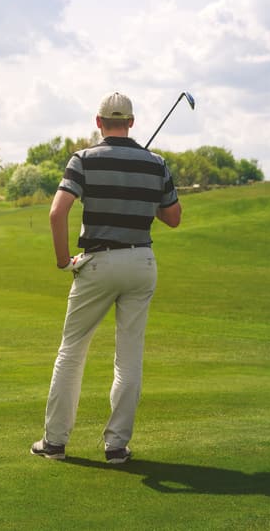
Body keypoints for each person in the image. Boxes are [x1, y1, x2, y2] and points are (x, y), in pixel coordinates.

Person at [31, 92, 182, 464]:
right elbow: (173, 217)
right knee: (129, 358)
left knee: (72, 351)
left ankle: (54, 443)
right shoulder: (156, 163)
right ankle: (116, 447)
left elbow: (57, 212)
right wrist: (145, 196)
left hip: (97, 263)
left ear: (98, 123)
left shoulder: (82, 160)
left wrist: (64, 261)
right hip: (141, 263)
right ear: (131, 123)